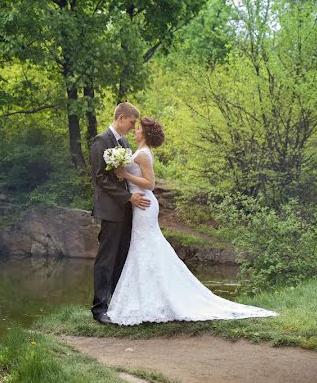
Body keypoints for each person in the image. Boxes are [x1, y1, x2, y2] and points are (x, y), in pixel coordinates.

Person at [105, 116, 277, 325]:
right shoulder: (141, 152)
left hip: (144, 204)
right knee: (144, 248)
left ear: (146, 133)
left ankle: (155, 299)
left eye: (139, 128)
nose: (136, 130)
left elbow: (150, 184)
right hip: (139, 204)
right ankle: (147, 299)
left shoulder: (143, 154)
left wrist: (124, 175)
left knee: (146, 247)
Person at [89, 102, 151, 324]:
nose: (133, 127)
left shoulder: (123, 142)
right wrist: (127, 197)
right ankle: (99, 309)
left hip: (127, 210)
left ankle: (117, 304)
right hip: (111, 209)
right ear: (122, 118)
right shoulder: (101, 141)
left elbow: (123, 174)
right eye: (132, 122)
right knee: (106, 258)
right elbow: (100, 178)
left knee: (121, 258)